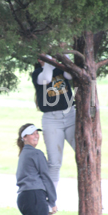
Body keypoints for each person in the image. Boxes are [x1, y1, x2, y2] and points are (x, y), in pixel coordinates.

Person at [32, 55, 76, 191]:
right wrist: (48, 63)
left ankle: (92, 194)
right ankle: (51, 199)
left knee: (84, 153)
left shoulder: (60, 70)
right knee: (54, 163)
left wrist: (64, 55)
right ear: (40, 60)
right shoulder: (38, 73)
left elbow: (69, 75)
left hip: (70, 115)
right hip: (51, 120)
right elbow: (46, 78)